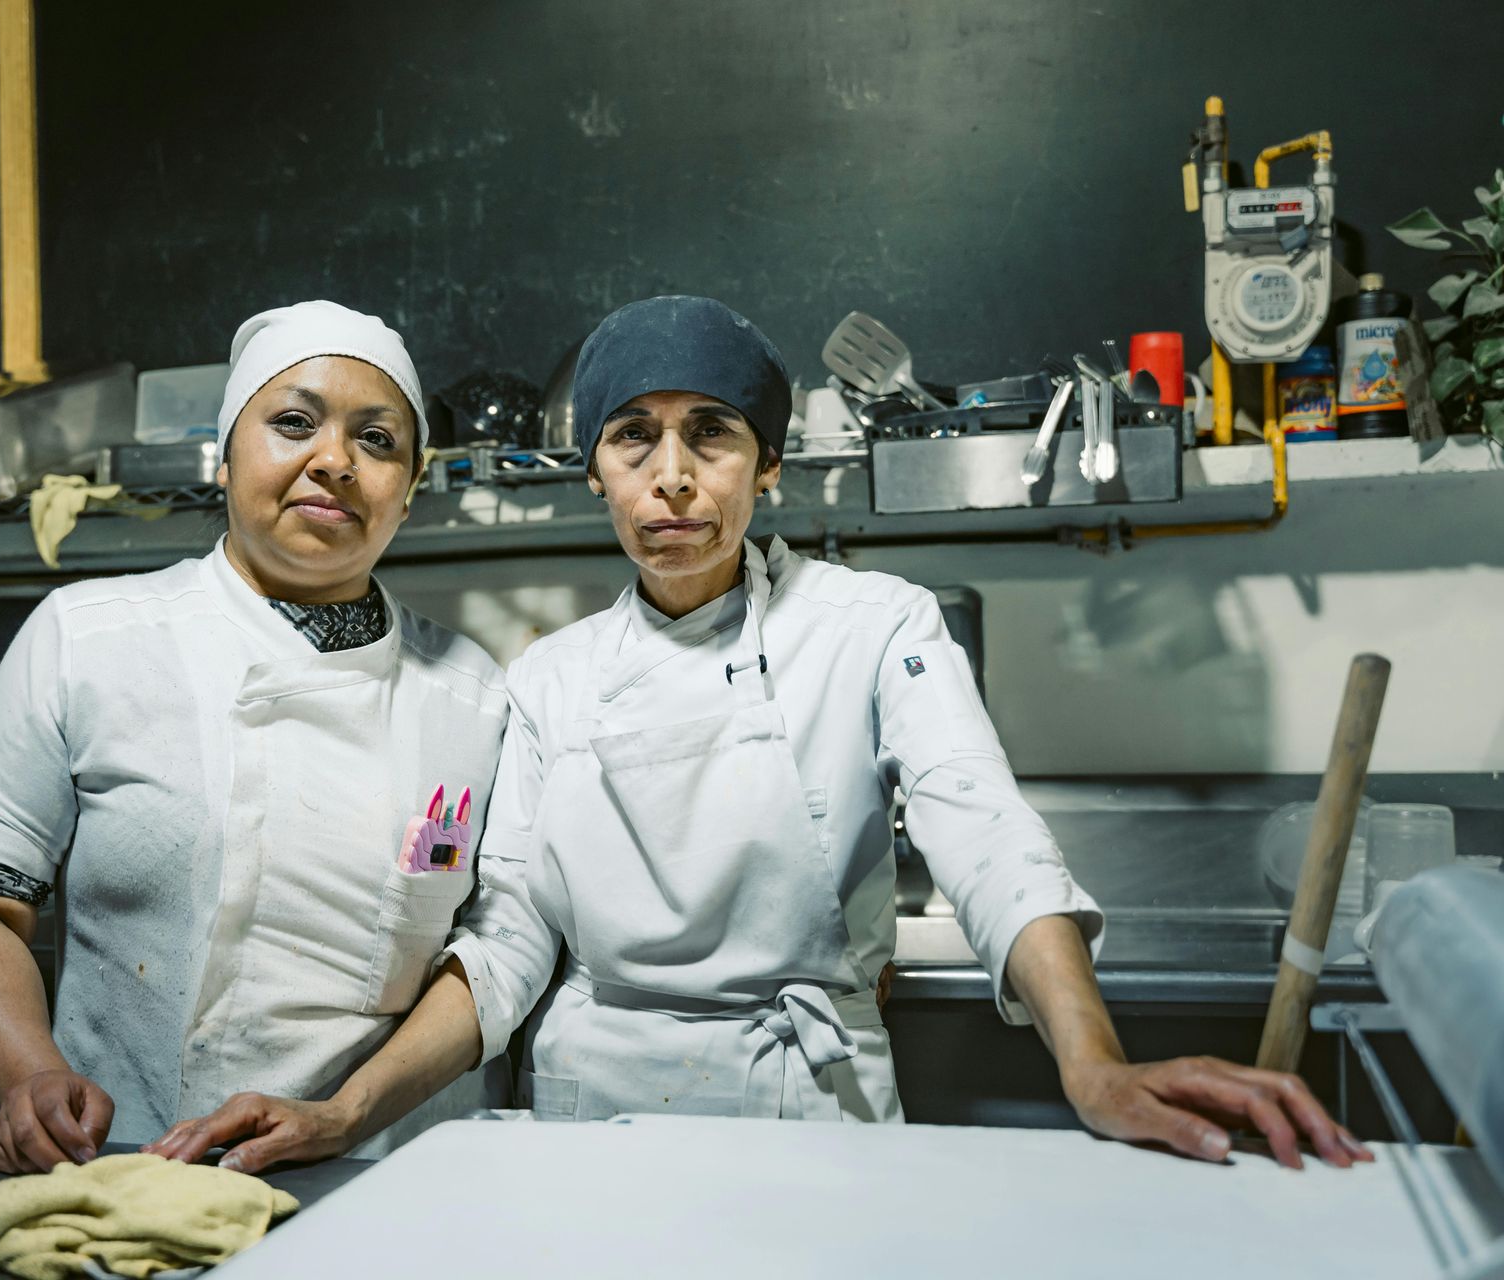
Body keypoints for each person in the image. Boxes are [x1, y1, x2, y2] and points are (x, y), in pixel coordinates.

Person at [146, 296, 1372, 1174]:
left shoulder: (873, 626)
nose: (672, 476)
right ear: (597, 475)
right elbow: (509, 937)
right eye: (634, 438)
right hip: (588, 1133)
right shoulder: (553, 679)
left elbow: (987, 836)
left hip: (810, 1114)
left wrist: (1093, 1064)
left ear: (767, 467)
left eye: (710, 435)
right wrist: (349, 1110)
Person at [0, 301, 509, 1173]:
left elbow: (496, 952)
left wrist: (345, 1118)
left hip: (385, 1179)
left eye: (378, 441)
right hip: (132, 1161)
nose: (336, 461)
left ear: (412, 488)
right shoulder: (88, 640)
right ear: (228, 457)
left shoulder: (474, 695)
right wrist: (30, 1076)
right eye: (294, 423)